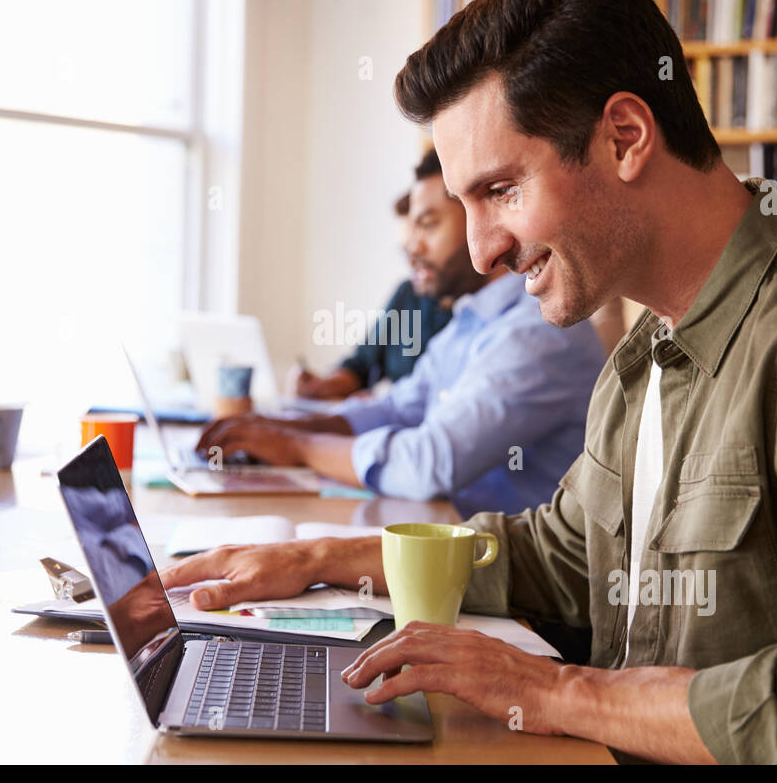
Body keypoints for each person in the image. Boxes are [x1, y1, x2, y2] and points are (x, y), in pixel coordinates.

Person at [166, 0, 777, 764]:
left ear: (623, 137)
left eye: (501, 191)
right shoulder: (643, 359)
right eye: (465, 204)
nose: (484, 250)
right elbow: (561, 556)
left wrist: (553, 691)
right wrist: (318, 560)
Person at [196, 148, 608, 518]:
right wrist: (287, 429)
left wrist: (298, 447)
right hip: (452, 542)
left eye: (427, 225)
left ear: (480, 221)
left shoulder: (539, 331)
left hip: (512, 582)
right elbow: (398, 408)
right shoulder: (470, 320)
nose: (411, 246)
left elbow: (431, 462)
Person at [294, 186, 453, 401]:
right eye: (406, 250)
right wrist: (322, 386)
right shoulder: (408, 294)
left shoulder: (476, 309)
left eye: (421, 245)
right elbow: (361, 365)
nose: (414, 258)